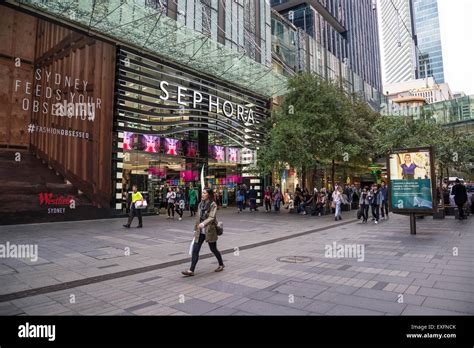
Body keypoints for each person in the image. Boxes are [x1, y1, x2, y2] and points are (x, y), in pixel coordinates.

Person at [182, 188, 224, 276]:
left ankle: (221, 264)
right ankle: (191, 270)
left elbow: (212, 217)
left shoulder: (213, 204)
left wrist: (203, 224)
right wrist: (196, 228)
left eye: (204, 193)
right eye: (202, 193)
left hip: (209, 230)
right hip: (200, 231)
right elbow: (198, 217)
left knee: (213, 249)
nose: (202, 194)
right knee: (195, 250)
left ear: (209, 194)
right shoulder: (200, 204)